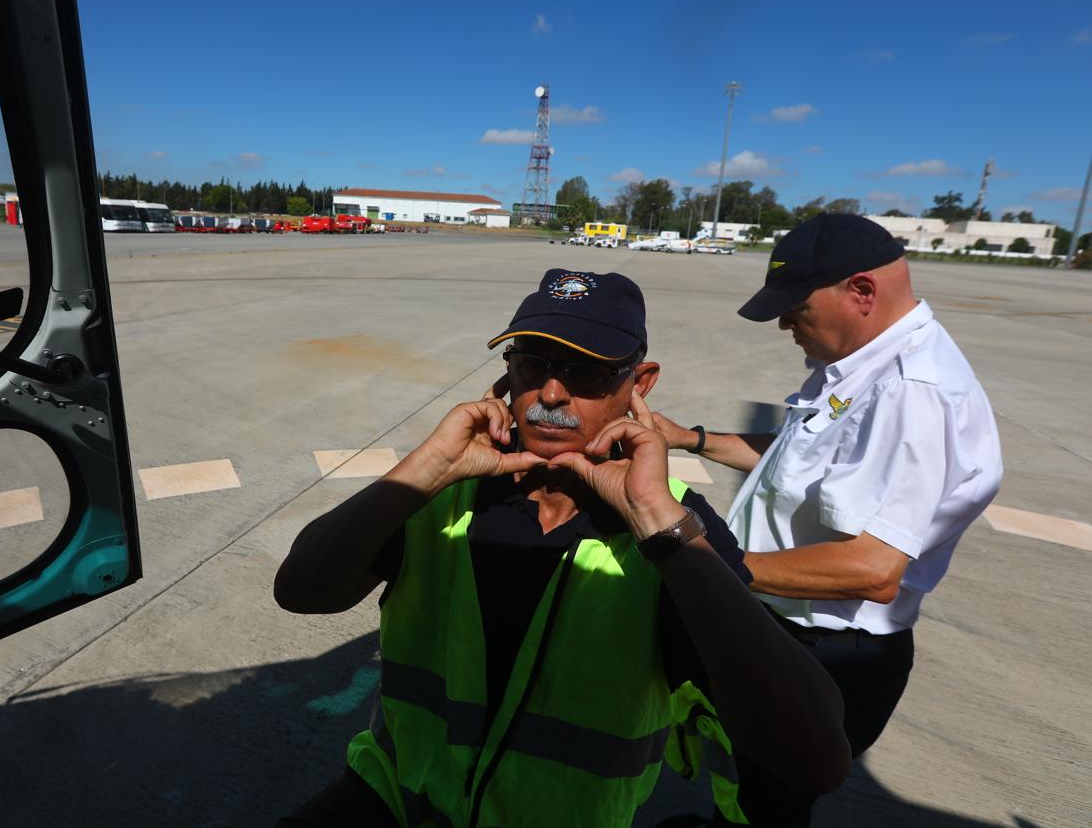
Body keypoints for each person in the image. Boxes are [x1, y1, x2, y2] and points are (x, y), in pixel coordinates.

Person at [274, 268, 850, 827]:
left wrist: (655, 518)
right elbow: (301, 591)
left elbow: (814, 757)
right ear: (506, 375)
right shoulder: (442, 494)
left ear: (640, 383)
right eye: (533, 365)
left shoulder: (675, 526)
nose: (551, 392)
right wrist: (426, 468)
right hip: (395, 798)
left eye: (588, 372)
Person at [652, 214, 1004, 826]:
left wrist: (708, 569)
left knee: (768, 802)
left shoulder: (909, 392)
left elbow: (872, 570)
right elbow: (800, 456)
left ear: (861, 292)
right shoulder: (864, 365)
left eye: (795, 307)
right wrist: (693, 438)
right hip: (793, 631)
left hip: (826, 651)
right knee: (743, 783)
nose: (785, 323)